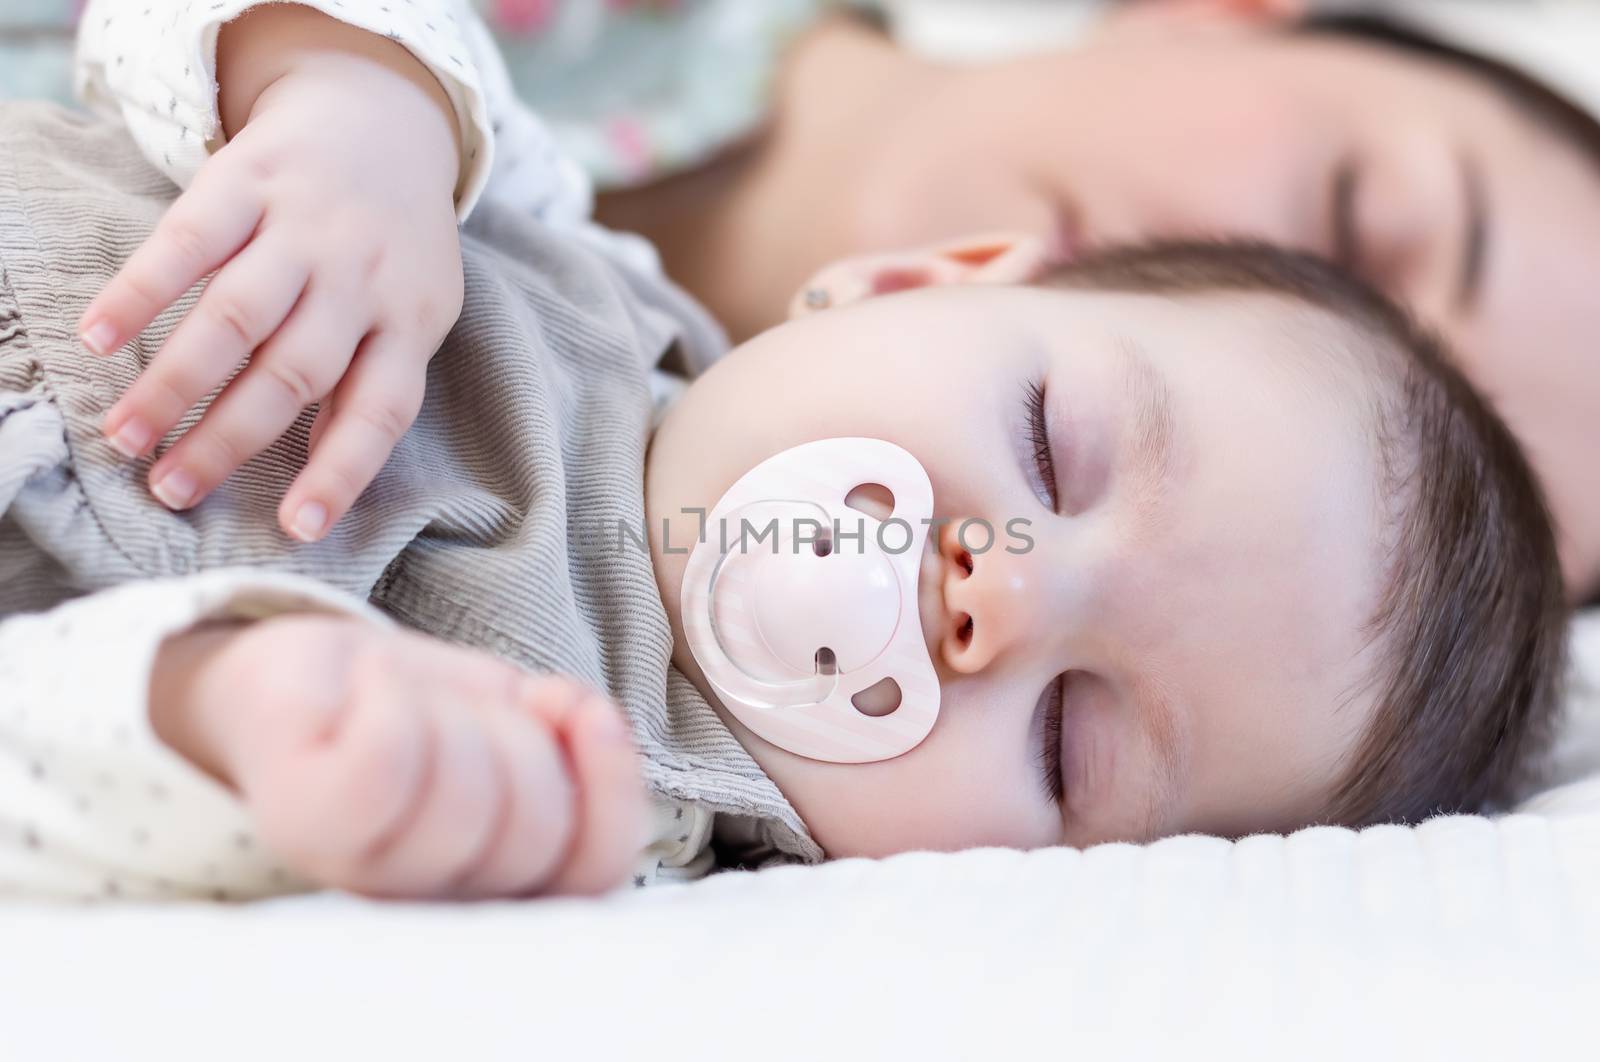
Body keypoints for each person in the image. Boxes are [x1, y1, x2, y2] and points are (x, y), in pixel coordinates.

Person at [0, 2, 1566, 901]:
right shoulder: (534, 222)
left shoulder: (606, 818)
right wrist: (357, 116)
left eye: (1071, 742)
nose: (995, 598)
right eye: (1049, 442)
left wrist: (227, 714)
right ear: (914, 282)